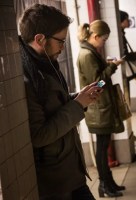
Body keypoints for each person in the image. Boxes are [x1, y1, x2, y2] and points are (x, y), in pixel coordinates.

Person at [18, 4, 101, 200]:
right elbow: (39, 135)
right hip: (55, 182)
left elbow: (54, 106)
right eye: (60, 42)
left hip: (71, 171)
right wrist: (77, 104)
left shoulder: (46, 64)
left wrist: (77, 97)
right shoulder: (28, 78)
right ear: (40, 39)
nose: (63, 48)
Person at [77, 20, 125, 198]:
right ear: (95, 37)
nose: (104, 43)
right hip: (98, 109)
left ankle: (109, 183)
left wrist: (107, 64)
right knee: (102, 148)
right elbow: (98, 84)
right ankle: (104, 184)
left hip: (101, 108)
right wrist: (112, 67)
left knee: (104, 146)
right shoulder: (87, 55)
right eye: (103, 40)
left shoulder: (90, 52)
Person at [119, 10, 136, 142]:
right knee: (126, 104)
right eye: (127, 19)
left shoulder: (121, 34)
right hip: (120, 78)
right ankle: (129, 135)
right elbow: (100, 79)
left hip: (123, 76)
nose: (129, 22)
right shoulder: (87, 55)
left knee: (127, 105)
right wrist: (133, 56)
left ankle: (130, 134)